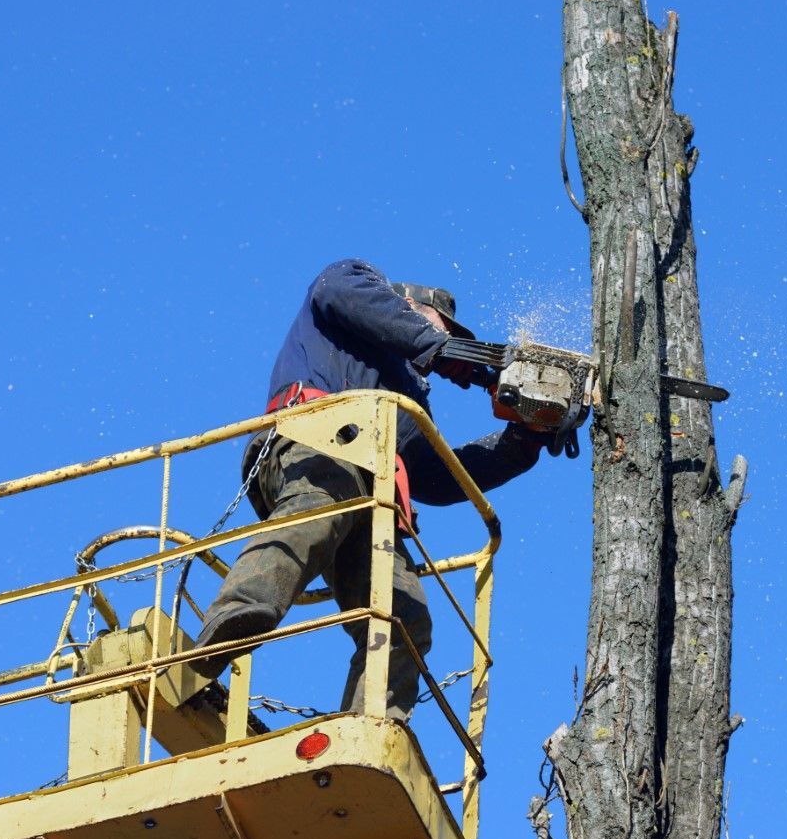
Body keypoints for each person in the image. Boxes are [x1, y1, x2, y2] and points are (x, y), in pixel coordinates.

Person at [193, 258, 545, 720]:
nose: (449, 342)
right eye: (443, 328)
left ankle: (369, 725)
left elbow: (436, 478)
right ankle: (216, 640)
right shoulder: (354, 282)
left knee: (405, 616)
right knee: (320, 506)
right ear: (409, 306)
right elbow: (336, 289)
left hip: (371, 497)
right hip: (314, 447)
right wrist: (440, 350)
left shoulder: (407, 401)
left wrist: (523, 440)